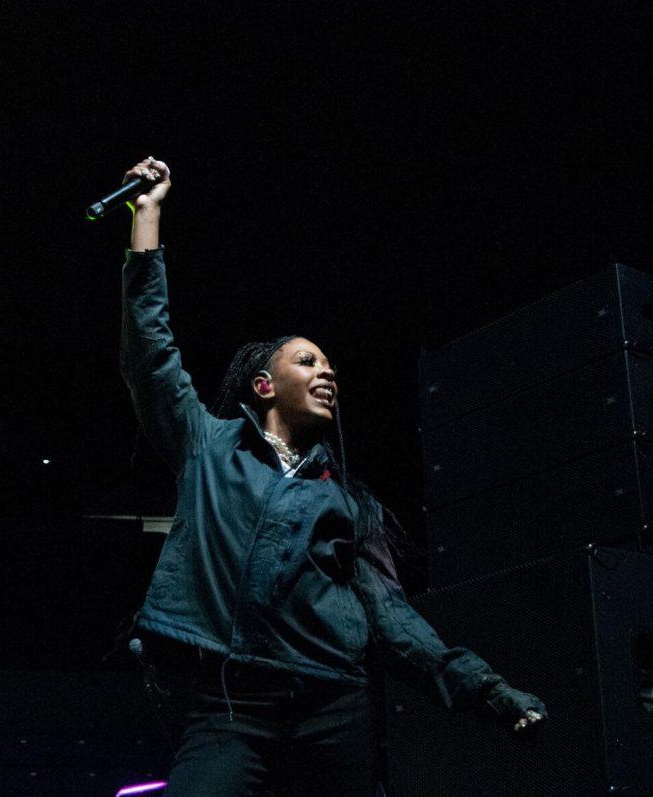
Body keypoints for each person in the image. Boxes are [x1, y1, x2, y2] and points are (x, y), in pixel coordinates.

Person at [118, 156, 546, 796]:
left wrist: (486, 690)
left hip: (331, 705)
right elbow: (151, 352)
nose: (327, 374)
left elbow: (391, 619)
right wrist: (146, 217)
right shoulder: (208, 445)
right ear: (265, 385)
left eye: (332, 369)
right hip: (230, 707)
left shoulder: (345, 500)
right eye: (307, 361)